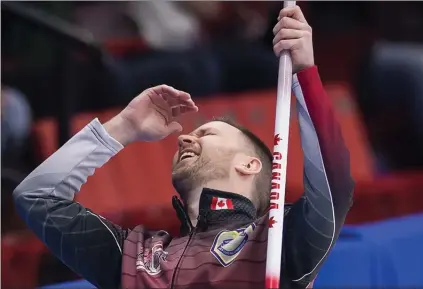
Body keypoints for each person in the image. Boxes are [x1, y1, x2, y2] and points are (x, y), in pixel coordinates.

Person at [13, 6, 354, 289]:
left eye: (207, 134)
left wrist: (304, 72)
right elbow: (37, 198)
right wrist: (124, 127)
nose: (185, 138)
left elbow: (333, 181)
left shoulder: (283, 239)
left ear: (249, 165)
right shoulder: (134, 259)